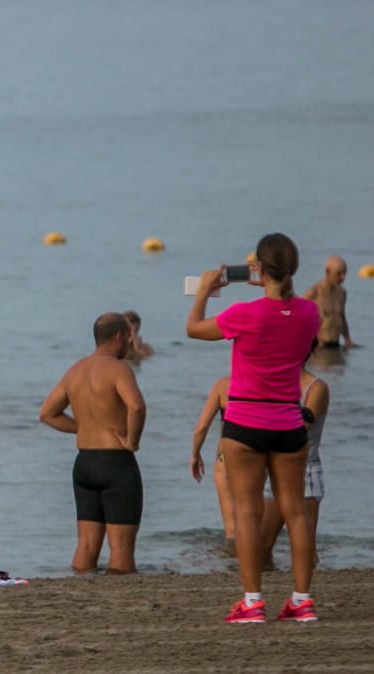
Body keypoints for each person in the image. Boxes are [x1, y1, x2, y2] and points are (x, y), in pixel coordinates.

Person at [187, 233, 321, 623]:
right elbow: (287, 318)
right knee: (296, 513)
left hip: (245, 423)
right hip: (288, 422)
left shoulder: (244, 313)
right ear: (294, 269)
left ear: (258, 268)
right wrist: (271, 286)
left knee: (247, 513)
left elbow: (194, 329)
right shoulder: (311, 314)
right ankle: (302, 601)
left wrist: (207, 290)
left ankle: (252, 602)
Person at [39, 313, 147, 574]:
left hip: (85, 463)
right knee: (121, 547)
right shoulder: (119, 368)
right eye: (128, 340)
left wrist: (85, 427)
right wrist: (132, 441)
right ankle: (120, 596)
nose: (130, 346)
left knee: (86, 544)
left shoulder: (75, 370)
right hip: (116, 463)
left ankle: (81, 589)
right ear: (119, 337)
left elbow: (47, 414)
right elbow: (137, 406)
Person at [261, 349, 329, 569]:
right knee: (262, 547)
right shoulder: (273, 385)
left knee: (306, 550)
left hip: (305, 471)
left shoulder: (316, 387)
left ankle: (305, 595)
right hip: (275, 470)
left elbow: (300, 427)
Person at [190, 376, 235, 551]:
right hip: (258, 456)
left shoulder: (223, 385)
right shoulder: (266, 384)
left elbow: (202, 427)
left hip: (226, 457)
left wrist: (195, 454)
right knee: (252, 515)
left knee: (231, 529)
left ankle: (235, 562)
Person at [303, 255, 356, 350]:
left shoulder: (342, 293)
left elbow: (342, 317)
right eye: (339, 273)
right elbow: (296, 316)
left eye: (345, 273)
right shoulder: (314, 292)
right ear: (327, 271)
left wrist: (347, 338)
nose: (343, 277)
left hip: (336, 346)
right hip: (319, 349)